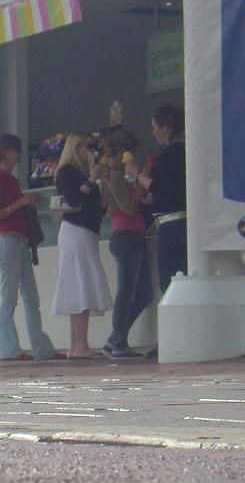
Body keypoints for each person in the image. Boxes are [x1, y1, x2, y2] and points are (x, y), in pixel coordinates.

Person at [0, 134, 65, 362]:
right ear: (4, 152)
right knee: (11, 297)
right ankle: (11, 348)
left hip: (18, 243)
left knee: (30, 297)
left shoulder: (9, 180)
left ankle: (38, 348)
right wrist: (20, 203)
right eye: (14, 150)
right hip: (8, 241)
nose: (17, 155)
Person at [51, 132, 112, 359]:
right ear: (76, 149)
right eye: (86, 147)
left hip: (87, 232)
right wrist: (90, 181)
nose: (90, 152)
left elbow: (101, 207)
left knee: (81, 284)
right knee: (79, 285)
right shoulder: (67, 172)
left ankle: (78, 344)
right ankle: (79, 344)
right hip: (75, 232)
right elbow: (73, 199)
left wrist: (101, 182)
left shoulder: (85, 173)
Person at [99, 129, 152, 359]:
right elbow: (126, 207)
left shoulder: (114, 176)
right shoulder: (116, 176)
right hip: (127, 237)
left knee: (142, 293)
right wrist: (141, 179)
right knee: (127, 293)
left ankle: (116, 337)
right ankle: (118, 342)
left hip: (131, 236)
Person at [137, 104, 186, 294]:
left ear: (166, 127)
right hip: (176, 221)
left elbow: (158, 185)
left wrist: (137, 175)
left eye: (155, 128)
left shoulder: (172, 153)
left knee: (170, 281)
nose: (154, 133)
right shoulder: (182, 152)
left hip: (172, 225)